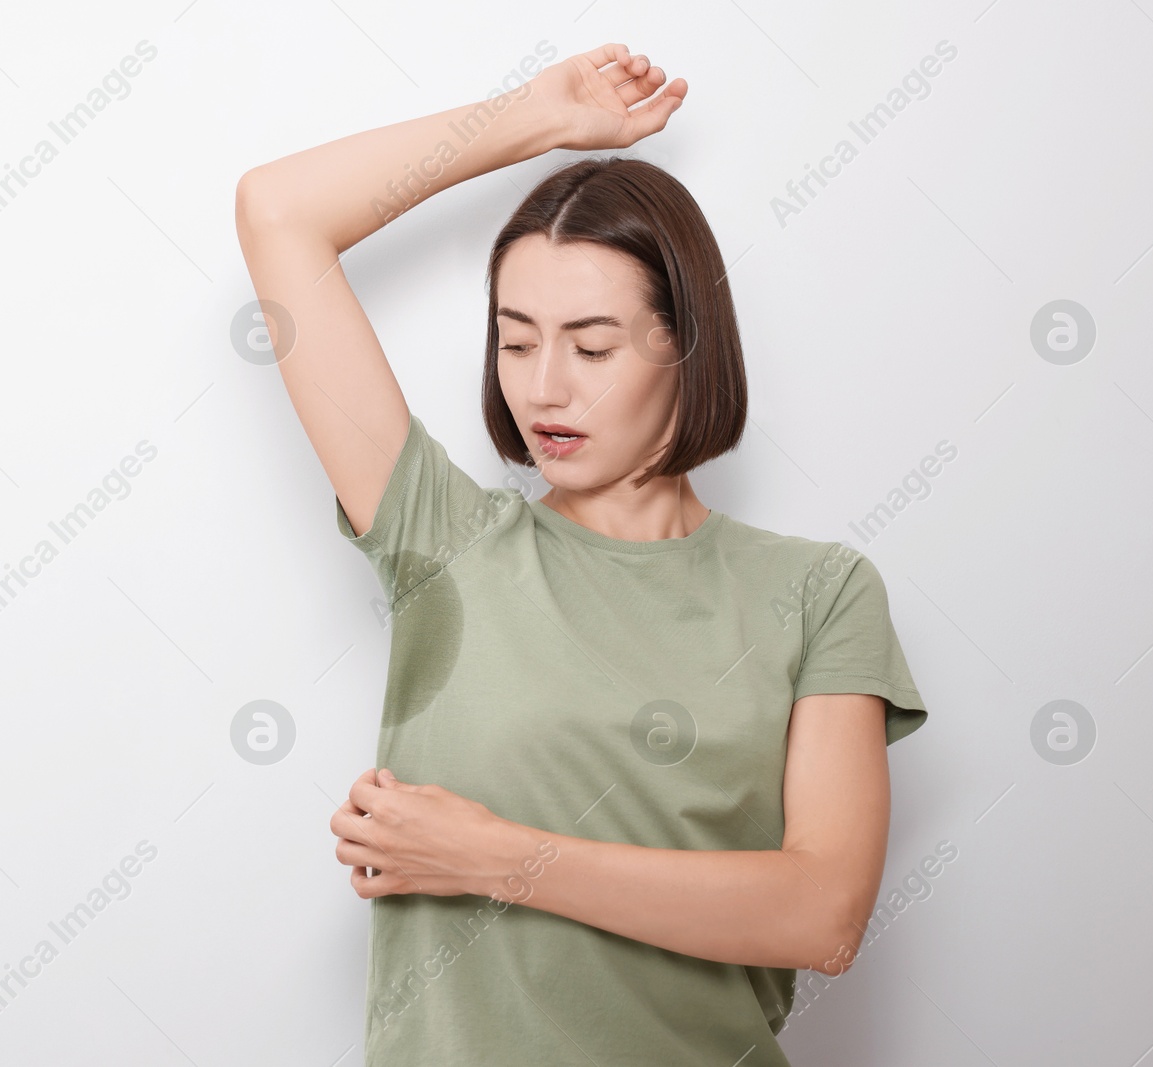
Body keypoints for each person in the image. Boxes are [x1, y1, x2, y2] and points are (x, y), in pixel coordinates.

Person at [235, 42, 928, 1067]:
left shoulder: (816, 593)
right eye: (516, 341)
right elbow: (278, 212)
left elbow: (819, 913)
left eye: (591, 346)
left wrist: (493, 856)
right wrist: (531, 118)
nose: (544, 387)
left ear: (684, 344)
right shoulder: (444, 542)